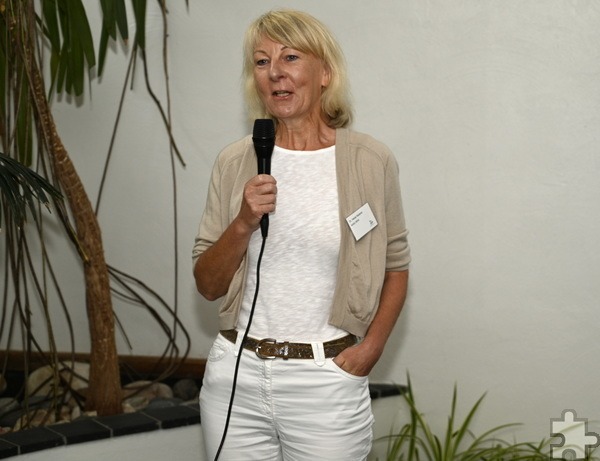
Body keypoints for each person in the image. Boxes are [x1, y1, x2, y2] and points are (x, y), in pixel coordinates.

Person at [192, 9, 410, 461]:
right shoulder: (235, 162)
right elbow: (208, 284)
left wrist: (370, 349)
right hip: (237, 374)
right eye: (261, 61)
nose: (275, 73)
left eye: (290, 57)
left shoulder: (370, 160)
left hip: (326, 380)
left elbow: (395, 264)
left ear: (325, 73)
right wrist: (242, 223)